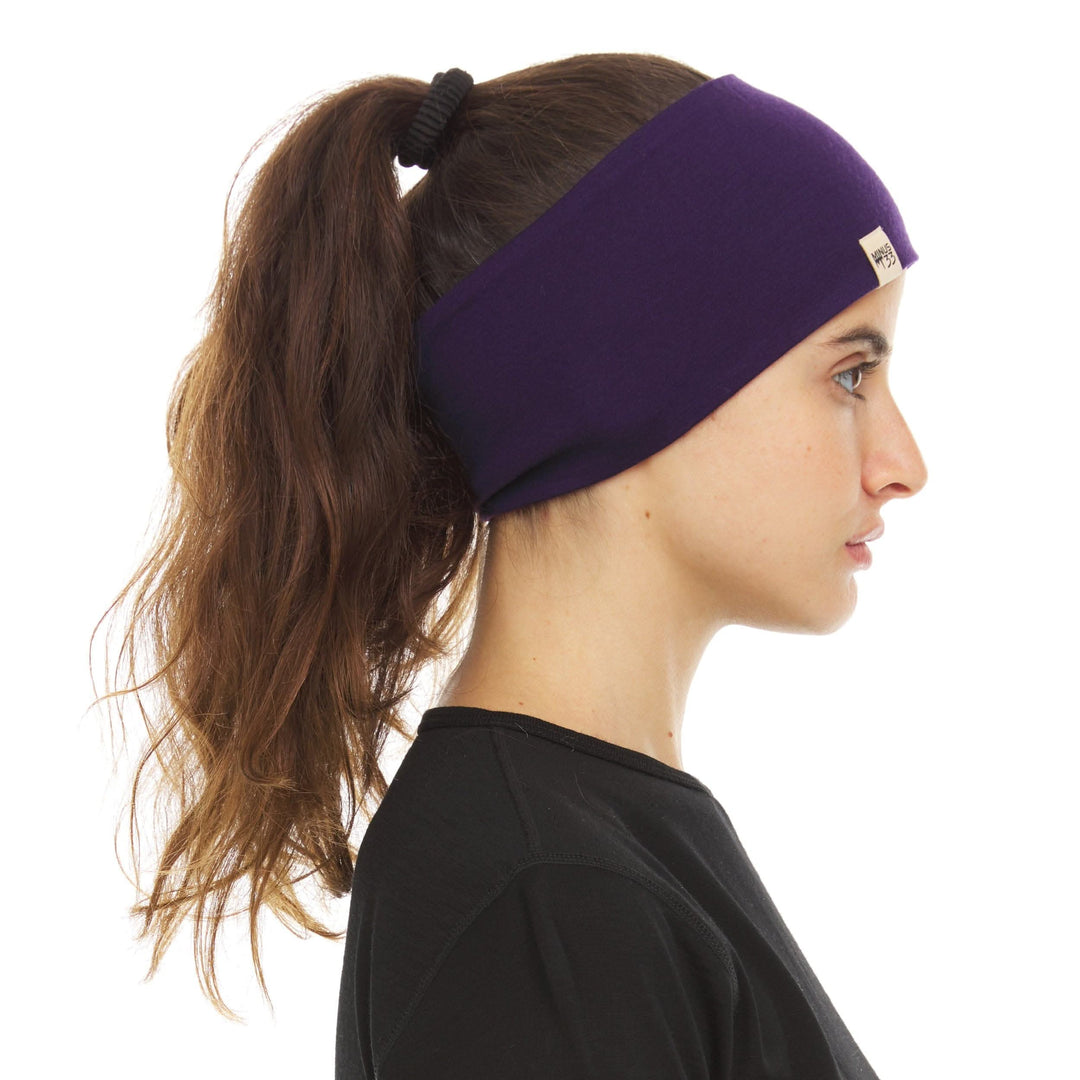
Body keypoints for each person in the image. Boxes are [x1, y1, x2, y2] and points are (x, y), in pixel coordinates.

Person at [92, 52, 927, 1079]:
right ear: (627, 378)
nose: (904, 466)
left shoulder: (587, 854)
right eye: (849, 375)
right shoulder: (549, 902)